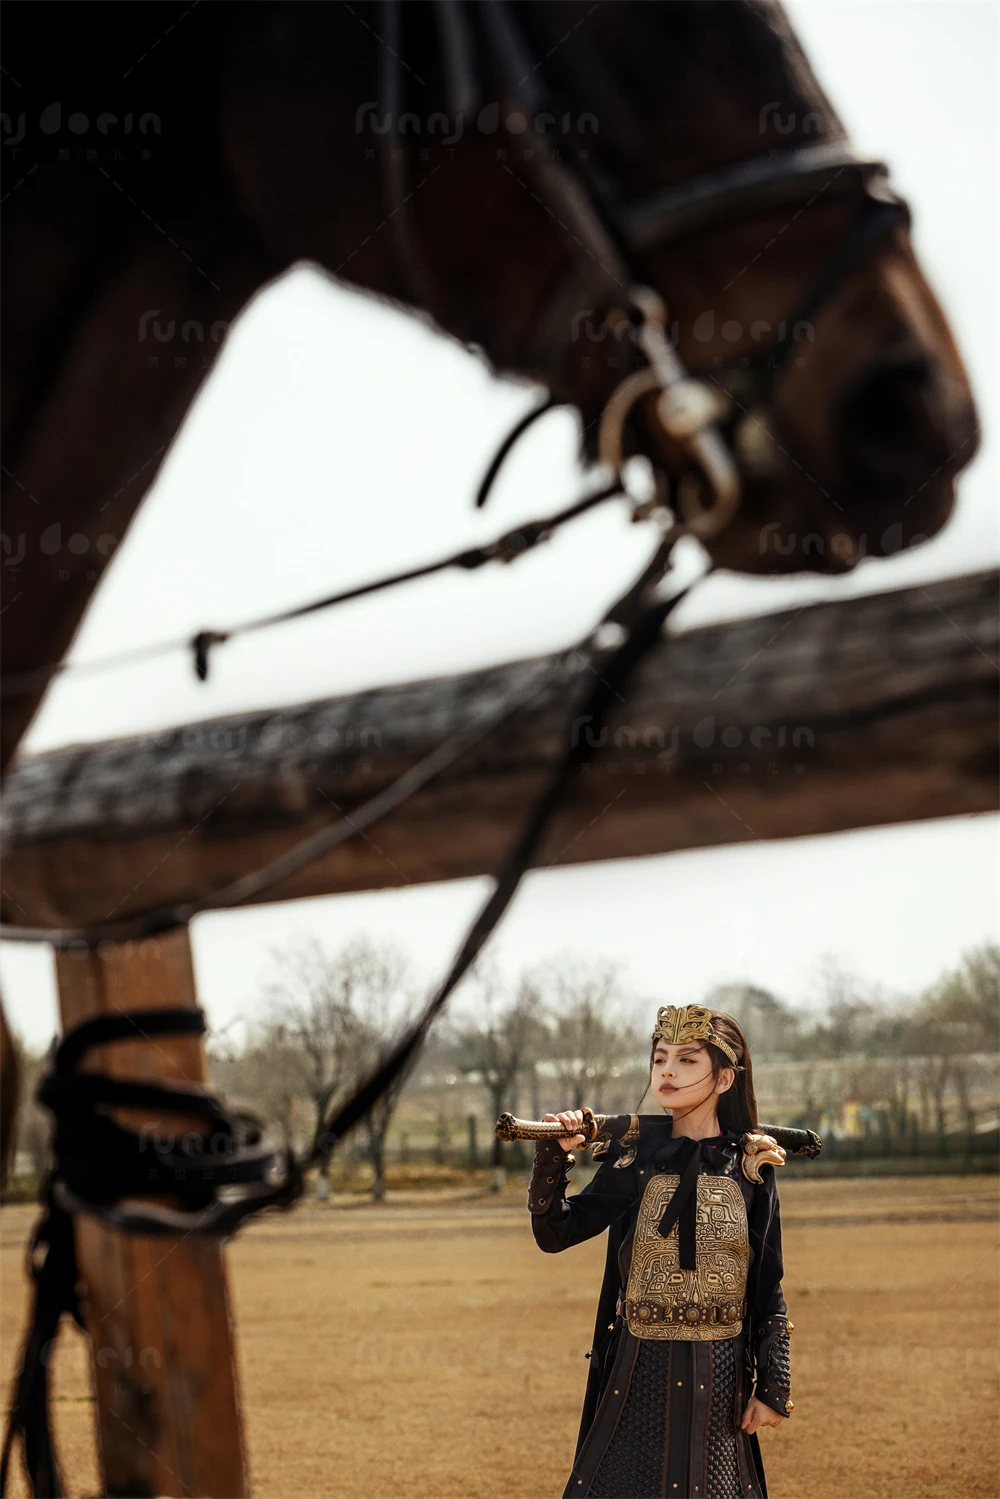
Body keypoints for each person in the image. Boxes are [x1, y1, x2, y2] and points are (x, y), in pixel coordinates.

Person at [528, 1004, 792, 1499]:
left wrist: (773, 1385)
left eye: (688, 1060)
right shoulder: (633, 1160)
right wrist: (553, 1155)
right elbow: (555, 1233)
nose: (667, 1071)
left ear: (725, 1078)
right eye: (660, 1059)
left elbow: (766, 1285)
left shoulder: (753, 1166)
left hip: (721, 1374)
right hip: (636, 1369)